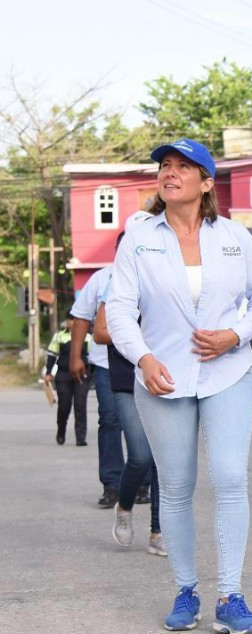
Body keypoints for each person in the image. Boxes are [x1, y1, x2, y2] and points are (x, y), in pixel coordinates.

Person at [107, 138, 252, 634]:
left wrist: (235, 334)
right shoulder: (138, 238)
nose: (170, 173)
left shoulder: (235, 238)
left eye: (184, 166)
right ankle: (186, 590)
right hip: (163, 377)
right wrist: (143, 356)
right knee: (176, 488)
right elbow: (119, 308)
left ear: (207, 183)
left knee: (229, 479)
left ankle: (231, 596)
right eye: (165, 166)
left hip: (227, 373)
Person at [92, 222, 165, 557]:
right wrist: (134, 334)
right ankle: (124, 506)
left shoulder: (167, 280)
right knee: (140, 455)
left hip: (166, 376)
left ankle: (158, 531)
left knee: (166, 459)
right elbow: (100, 333)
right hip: (125, 377)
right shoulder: (113, 285)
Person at [70, 262, 124, 507]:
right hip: (106, 364)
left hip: (147, 362)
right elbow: (81, 315)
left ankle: (144, 484)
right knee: (110, 419)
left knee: (147, 425)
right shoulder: (102, 278)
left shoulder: (159, 271)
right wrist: (75, 356)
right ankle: (112, 485)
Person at [43, 318, 89, 447]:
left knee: (80, 406)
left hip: (82, 375)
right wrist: (48, 373)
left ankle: (80, 438)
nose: (72, 322)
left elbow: (92, 356)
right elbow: (52, 355)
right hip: (63, 375)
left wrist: (91, 374)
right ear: (67, 321)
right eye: (70, 319)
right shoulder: (59, 336)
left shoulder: (88, 336)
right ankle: (61, 430)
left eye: (75, 319)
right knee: (64, 406)